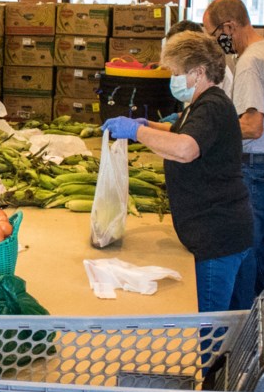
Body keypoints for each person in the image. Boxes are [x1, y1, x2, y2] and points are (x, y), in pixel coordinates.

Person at [102, 31, 253, 313]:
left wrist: (136, 130)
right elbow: (178, 131)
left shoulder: (212, 106)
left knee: (207, 328)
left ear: (198, 72)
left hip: (217, 238)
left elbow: (185, 148)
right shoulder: (199, 104)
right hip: (215, 231)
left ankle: (212, 359)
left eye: (175, 72)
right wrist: (146, 125)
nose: (172, 78)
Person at [202, 0, 264, 350]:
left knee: (245, 253)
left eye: (213, 33)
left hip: (257, 168)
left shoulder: (247, 62)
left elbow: (252, 125)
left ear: (229, 27)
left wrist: (210, 131)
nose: (214, 42)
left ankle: (244, 336)